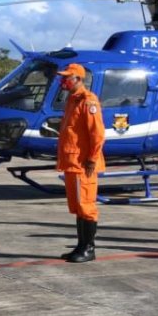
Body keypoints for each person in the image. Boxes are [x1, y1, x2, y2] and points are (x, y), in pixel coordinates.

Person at [56, 63, 106, 262]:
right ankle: (81, 245)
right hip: (71, 162)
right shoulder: (72, 100)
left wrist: (92, 159)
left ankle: (89, 248)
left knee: (86, 205)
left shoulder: (88, 101)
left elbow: (98, 134)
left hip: (83, 163)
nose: (63, 81)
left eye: (67, 77)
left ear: (78, 79)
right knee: (77, 206)